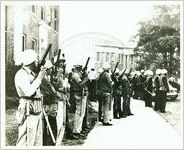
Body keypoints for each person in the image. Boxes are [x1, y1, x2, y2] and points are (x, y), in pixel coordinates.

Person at [15, 49, 46, 146]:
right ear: (32, 61)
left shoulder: (32, 74)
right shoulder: (21, 74)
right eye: (36, 60)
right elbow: (28, 92)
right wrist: (39, 78)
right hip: (27, 111)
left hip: (36, 110)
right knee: (25, 142)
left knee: (37, 141)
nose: (37, 62)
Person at [70, 64, 89, 139]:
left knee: (81, 113)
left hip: (80, 94)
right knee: (79, 113)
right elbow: (80, 84)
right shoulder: (75, 75)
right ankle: (76, 131)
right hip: (79, 94)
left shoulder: (77, 74)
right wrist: (86, 79)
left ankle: (78, 130)